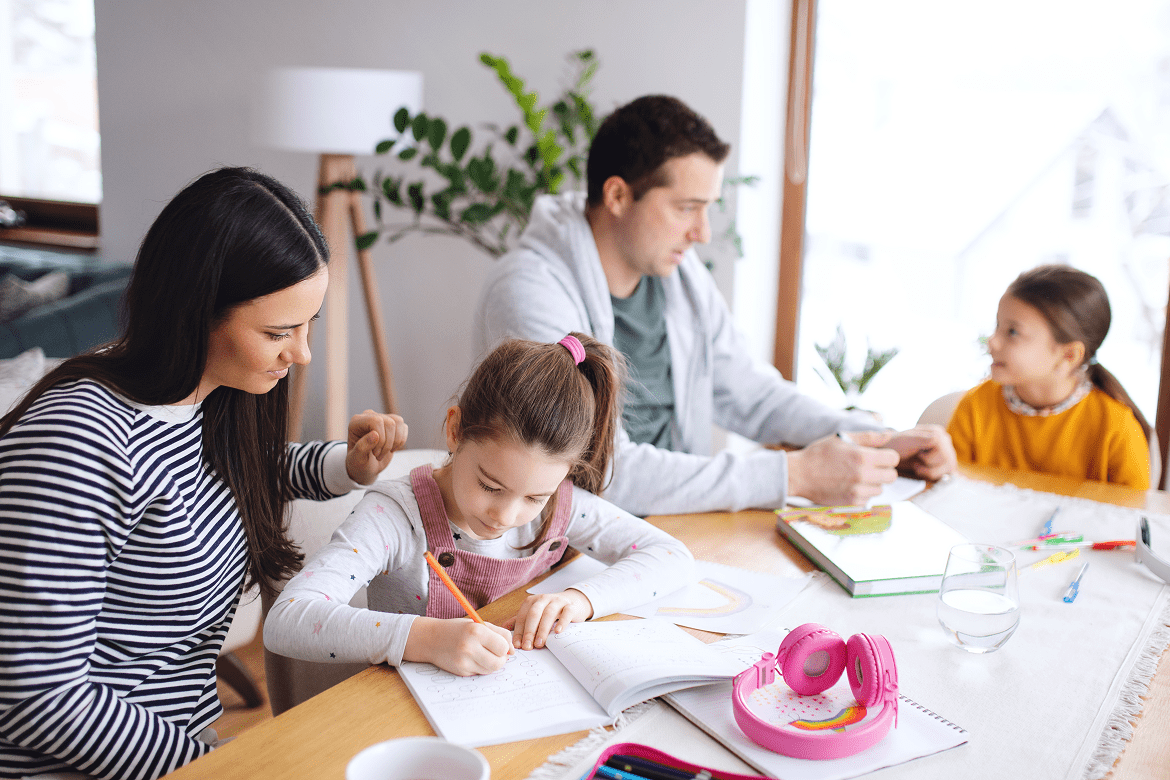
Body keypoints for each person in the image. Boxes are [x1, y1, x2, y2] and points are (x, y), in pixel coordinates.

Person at [0, 167, 408, 780]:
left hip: (181, 748)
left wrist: (345, 466)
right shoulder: (78, 444)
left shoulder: (201, 392)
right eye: (278, 332)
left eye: (309, 325)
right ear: (196, 312)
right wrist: (219, 764)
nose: (301, 354)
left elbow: (227, 470)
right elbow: (38, 697)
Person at [474, 94, 956, 517]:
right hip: (575, 550)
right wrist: (793, 476)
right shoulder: (529, 291)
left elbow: (752, 395)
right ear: (618, 195)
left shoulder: (680, 278)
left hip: (676, 526)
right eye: (686, 208)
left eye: (707, 209)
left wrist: (876, 439)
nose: (702, 233)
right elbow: (599, 469)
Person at [264, 333, 694, 677]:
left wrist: (582, 599)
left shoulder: (560, 507)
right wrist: (425, 638)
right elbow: (287, 620)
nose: (505, 516)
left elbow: (672, 555)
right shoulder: (395, 516)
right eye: (490, 486)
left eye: (534, 497)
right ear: (455, 431)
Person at [948, 264, 1150, 489]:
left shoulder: (1116, 429)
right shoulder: (975, 406)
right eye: (998, 325)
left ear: (1069, 355)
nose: (992, 341)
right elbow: (948, 490)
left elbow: (1135, 509)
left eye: (1013, 332)